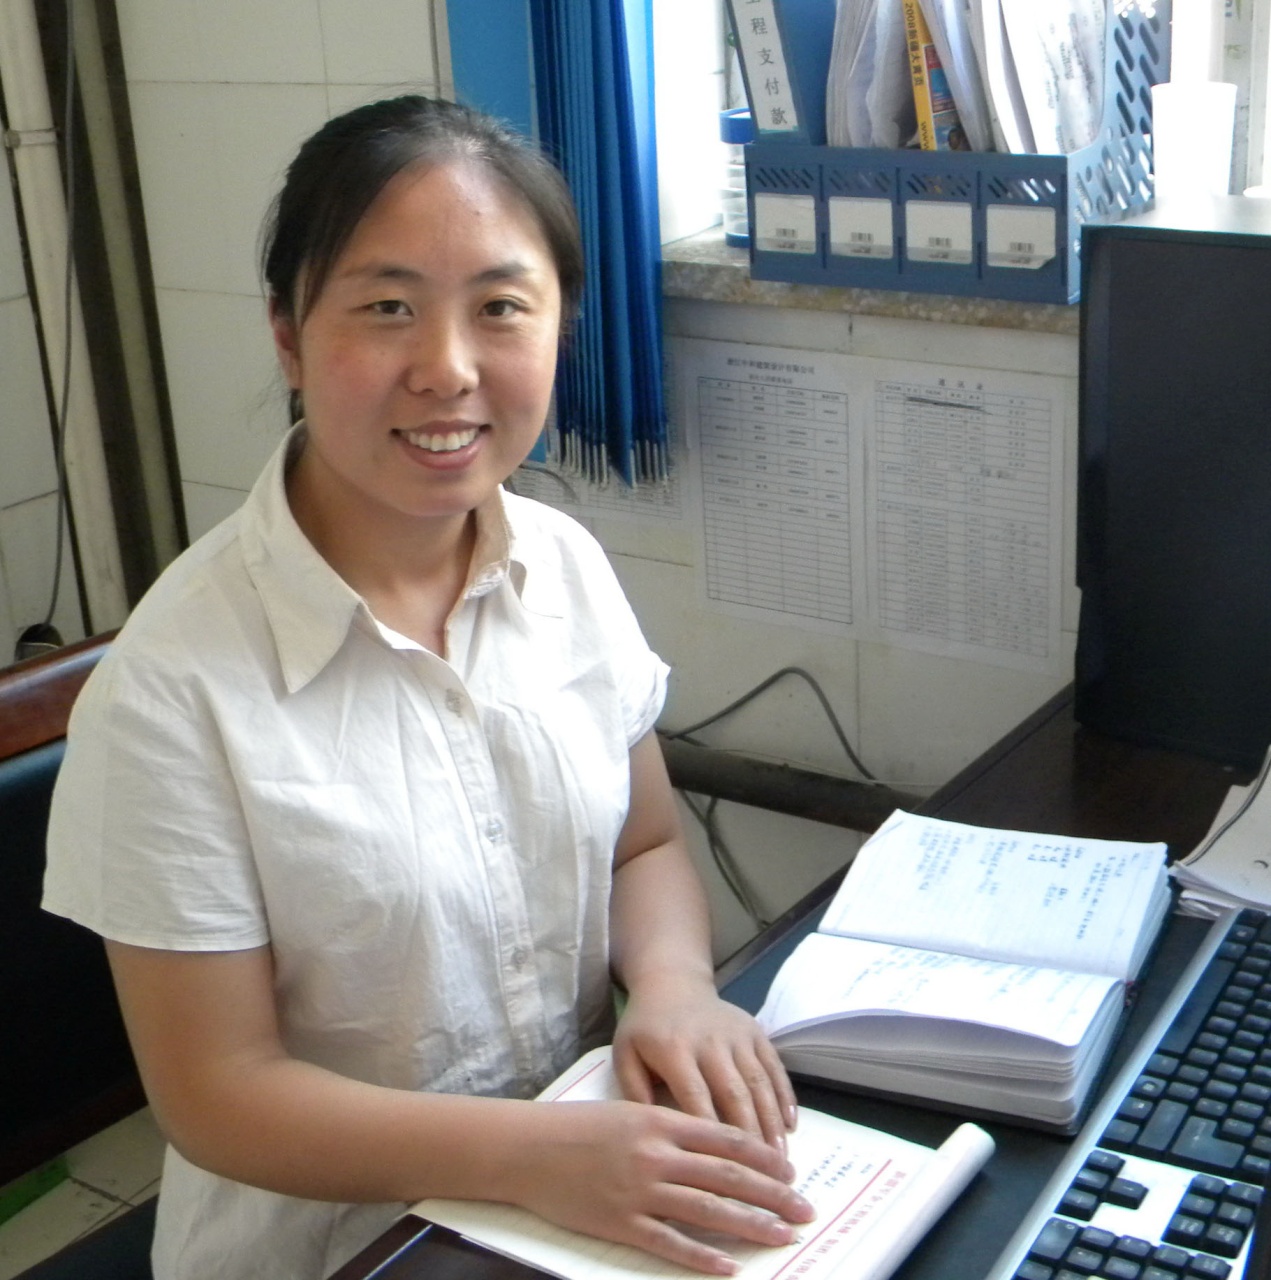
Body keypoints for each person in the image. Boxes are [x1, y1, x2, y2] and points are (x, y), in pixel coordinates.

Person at [43, 95, 814, 1280]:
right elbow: (217, 1094)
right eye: (387, 307)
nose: (447, 369)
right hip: (339, 1251)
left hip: (570, 1210)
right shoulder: (171, 692)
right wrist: (543, 1157)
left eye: (500, 307)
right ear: (289, 337)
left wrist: (671, 989)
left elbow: (646, 841)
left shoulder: (561, 566)